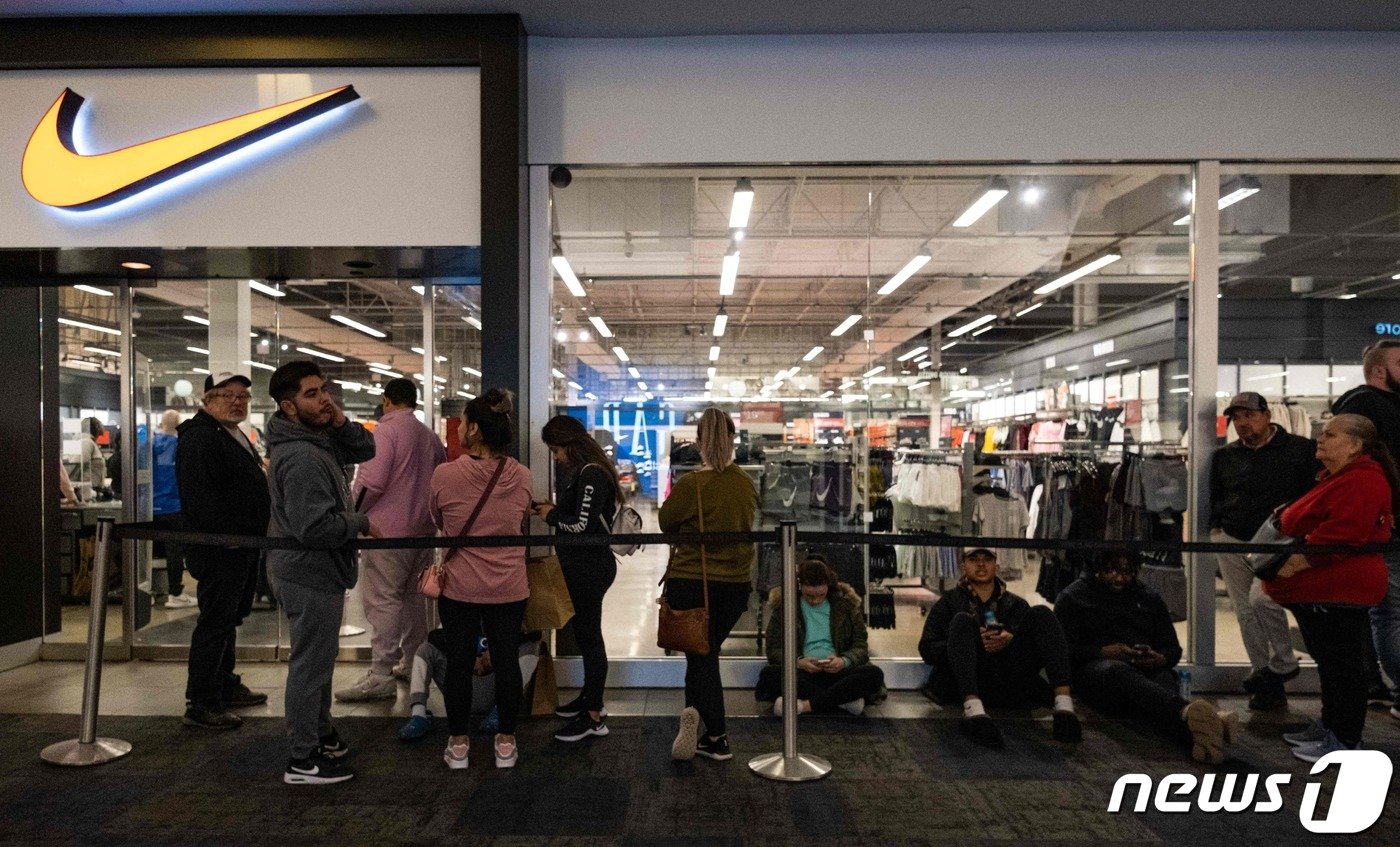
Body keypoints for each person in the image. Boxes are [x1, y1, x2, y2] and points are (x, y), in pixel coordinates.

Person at [265, 361, 377, 785]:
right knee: (310, 665)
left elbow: (366, 449)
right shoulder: (302, 457)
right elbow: (314, 528)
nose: (324, 398)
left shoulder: (318, 438)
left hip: (317, 570)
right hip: (306, 571)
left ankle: (321, 732)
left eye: (324, 389)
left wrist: (339, 418)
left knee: (319, 661)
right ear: (289, 407)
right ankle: (302, 758)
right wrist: (360, 522)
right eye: (312, 394)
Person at [1263, 413, 1396, 761]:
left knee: (1343, 666)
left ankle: (1343, 739)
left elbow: (1343, 534)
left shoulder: (1363, 481)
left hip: (1340, 588)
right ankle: (1329, 727)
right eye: (1322, 433)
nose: (1321, 439)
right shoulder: (1341, 477)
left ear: (1354, 445)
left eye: (1331, 435)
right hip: (1327, 587)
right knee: (1330, 663)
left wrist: (1296, 564)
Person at [430, 389, 533, 771]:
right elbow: (520, 518)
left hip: (460, 585)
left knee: (459, 663)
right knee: (506, 662)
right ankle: (506, 743)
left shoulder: (445, 474)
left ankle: (459, 745)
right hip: (509, 585)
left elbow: (437, 519)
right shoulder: (521, 475)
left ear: (472, 429)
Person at [1055, 554, 1238, 764]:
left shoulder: (1148, 597)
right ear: (1098, 569)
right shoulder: (1074, 597)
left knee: (1161, 684)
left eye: (1126, 572)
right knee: (1118, 673)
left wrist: (1159, 658)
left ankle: (1203, 741)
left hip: (1146, 671)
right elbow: (1062, 651)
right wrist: (1104, 652)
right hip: (1099, 675)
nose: (1119, 579)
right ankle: (1198, 715)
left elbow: (1172, 649)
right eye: (1112, 571)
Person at [658, 407, 758, 763]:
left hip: (693, 582)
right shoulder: (746, 483)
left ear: (698, 442)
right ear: (732, 440)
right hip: (735, 586)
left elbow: (666, 522)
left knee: (701, 655)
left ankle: (716, 735)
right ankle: (697, 723)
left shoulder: (692, 485)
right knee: (702, 653)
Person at [337, 378, 446, 702]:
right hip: (422, 534)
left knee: (383, 601)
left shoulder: (385, 432)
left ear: (386, 401)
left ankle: (381, 673)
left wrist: (353, 517)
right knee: (414, 602)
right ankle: (414, 664)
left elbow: (371, 482)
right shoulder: (429, 437)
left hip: (385, 534)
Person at [174, 372, 272, 731]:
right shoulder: (201, 438)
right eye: (228, 395)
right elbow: (200, 496)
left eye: (243, 397)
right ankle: (200, 702)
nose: (237, 402)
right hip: (221, 549)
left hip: (241, 546)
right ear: (207, 399)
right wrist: (226, 537)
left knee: (230, 619)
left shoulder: (228, 433)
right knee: (215, 623)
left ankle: (225, 684)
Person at [1209, 392, 1316, 710]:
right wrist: (1216, 528)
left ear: (1267, 415)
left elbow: (1310, 495)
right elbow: (1216, 494)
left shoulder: (1300, 449)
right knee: (1245, 610)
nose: (1242, 423)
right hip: (1232, 537)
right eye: (1236, 418)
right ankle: (1265, 679)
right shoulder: (1225, 456)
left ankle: (1282, 662)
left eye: (1249, 415)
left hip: (1278, 542)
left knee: (1264, 599)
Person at [918, 548, 1081, 748]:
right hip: (972, 679)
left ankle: (1064, 706)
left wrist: (1010, 639)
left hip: (1010, 678)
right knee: (962, 621)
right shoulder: (948, 603)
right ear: (963, 567)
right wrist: (968, 645)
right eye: (974, 559)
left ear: (997, 566)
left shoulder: (1016, 604)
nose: (980, 564)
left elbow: (1033, 643)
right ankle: (973, 709)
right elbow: (927, 648)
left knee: (1043, 614)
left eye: (987, 559)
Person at [534, 415, 622, 742]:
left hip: (590, 566)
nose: (556, 457)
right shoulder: (589, 473)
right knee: (587, 636)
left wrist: (552, 515)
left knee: (590, 637)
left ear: (570, 444)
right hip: (586, 565)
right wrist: (554, 510)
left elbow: (581, 527)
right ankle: (589, 699)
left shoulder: (591, 475)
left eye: (556, 450)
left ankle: (594, 715)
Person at [1333, 340, 1400, 716]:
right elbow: (1343, 464)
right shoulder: (1361, 402)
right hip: (1383, 525)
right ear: (1378, 370)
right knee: (1388, 611)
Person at [756, 556, 884, 717]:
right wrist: (797, 662)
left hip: (837, 672)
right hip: (803, 673)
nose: (815, 600)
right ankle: (842, 701)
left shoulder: (846, 606)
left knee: (874, 674)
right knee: (769, 675)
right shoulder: (785, 607)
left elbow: (860, 646)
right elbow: (773, 649)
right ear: (800, 585)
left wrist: (844, 661)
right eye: (809, 595)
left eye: (820, 595)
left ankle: (804, 705)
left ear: (828, 587)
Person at [153, 410, 194, 609]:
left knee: (146, 551)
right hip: (174, 504)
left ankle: (149, 591)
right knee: (174, 551)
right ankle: (174, 592)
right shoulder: (180, 446)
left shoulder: (150, 445)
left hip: (151, 505)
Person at [78, 416, 108, 497]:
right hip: (89, 492)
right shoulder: (87, 442)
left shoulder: (90, 442)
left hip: (94, 491)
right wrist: (87, 492)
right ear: (96, 427)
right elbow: (81, 468)